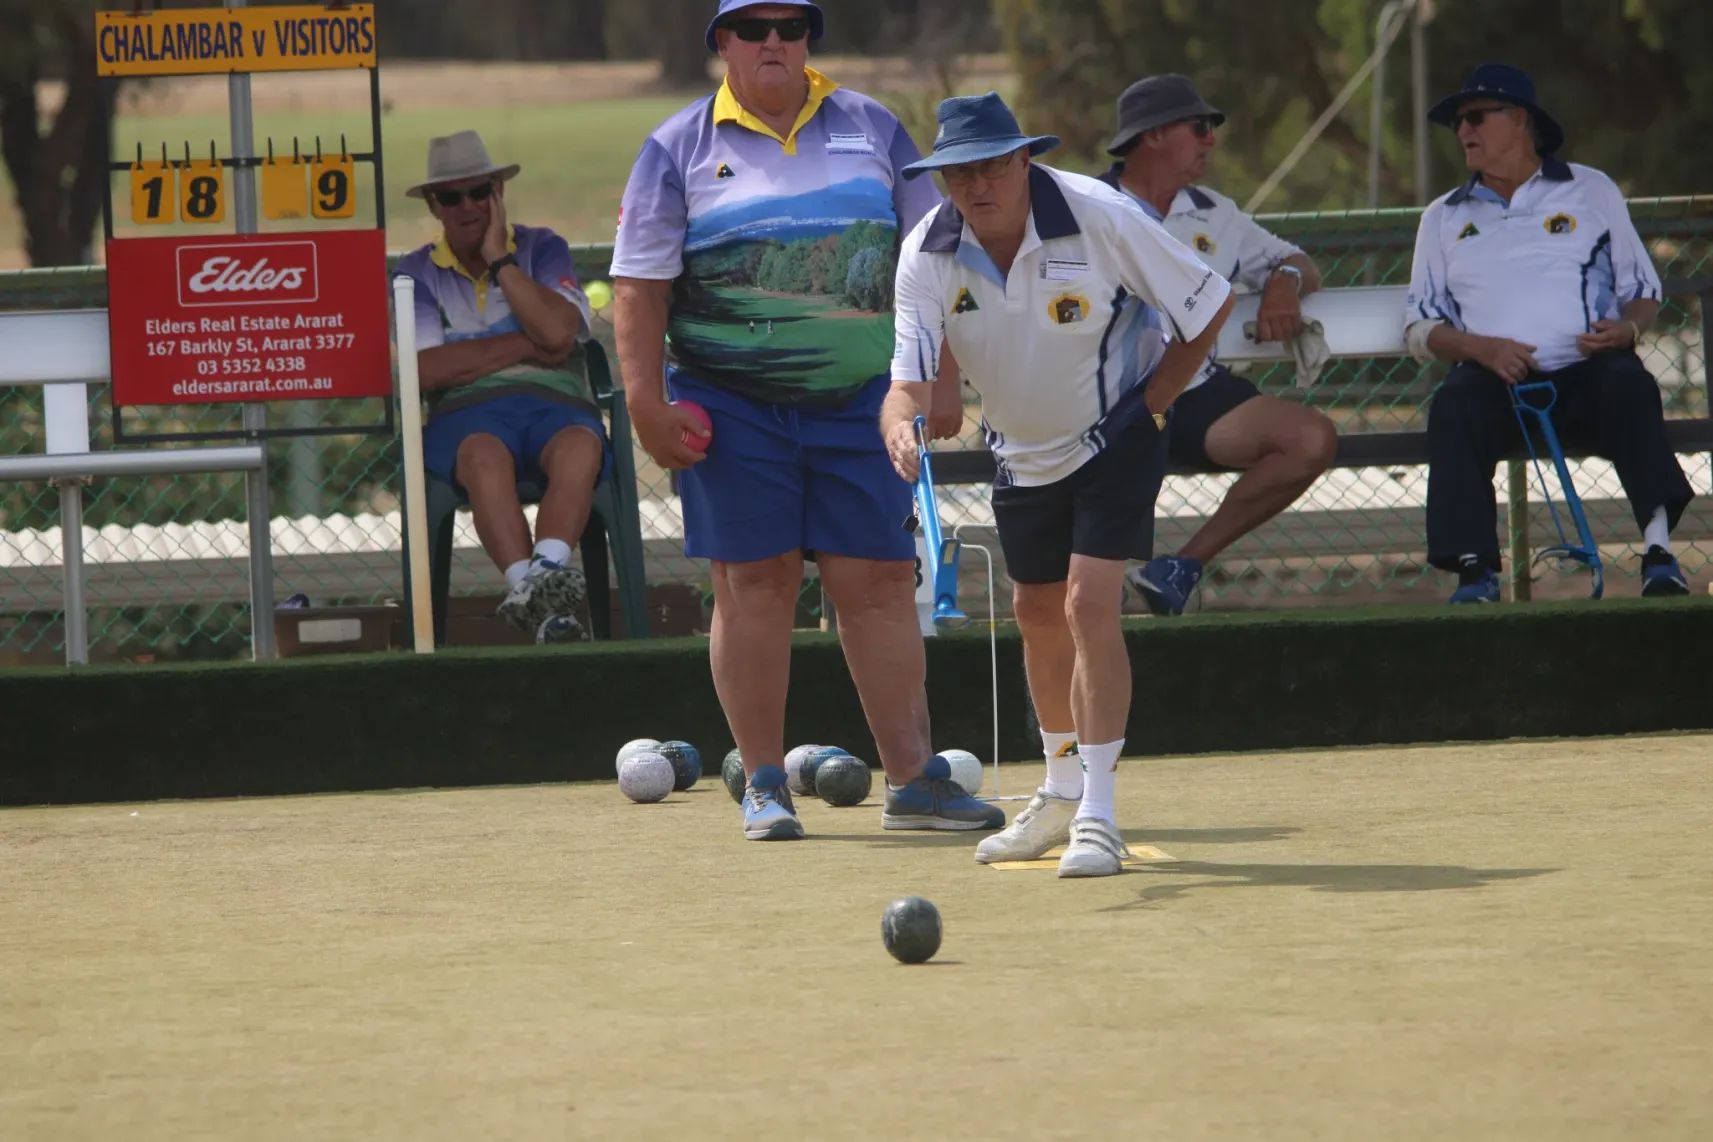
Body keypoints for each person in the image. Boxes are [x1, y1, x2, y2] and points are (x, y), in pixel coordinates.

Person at [610, 1, 998, 841]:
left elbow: (933, 254)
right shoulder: (675, 147)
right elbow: (639, 288)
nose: (774, 40)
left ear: (809, 39)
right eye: (753, 27)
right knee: (757, 584)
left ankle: (914, 784)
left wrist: (941, 377)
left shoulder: (873, 127)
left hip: (867, 402)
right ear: (722, 43)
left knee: (881, 583)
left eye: (791, 25)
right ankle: (762, 784)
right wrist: (644, 403)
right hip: (727, 404)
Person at [884, 93, 1234, 877]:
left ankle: (1100, 813)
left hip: (1116, 433)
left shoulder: (1097, 212)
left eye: (992, 166)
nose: (977, 185)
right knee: (1036, 610)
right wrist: (898, 426)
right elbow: (904, 382)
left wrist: (1151, 403)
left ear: (1023, 160)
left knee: (1085, 604)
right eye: (959, 173)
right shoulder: (926, 251)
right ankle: (1059, 790)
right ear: (942, 180)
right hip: (1020, 450)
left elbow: (1208, 302)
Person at [1404, 63, 1693, 602]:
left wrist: (1628, 328)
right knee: (1454, 404)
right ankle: (1475, 571)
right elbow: (1420, 326)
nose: (1463, 131)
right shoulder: (1441, 217)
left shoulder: (1592, 190)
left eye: (1474, 117)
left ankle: (1658, 553)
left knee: (1629, 384)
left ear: (1519, 120)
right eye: (1457, 123)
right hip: (1498, 383)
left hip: (1588, 371)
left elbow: (1644, 287)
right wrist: (1480, 349)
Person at [1099, 74, 1337, 616]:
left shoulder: (1216, 211)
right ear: (1154, 134)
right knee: (1097, 552)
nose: (1212, 140)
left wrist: (1285, 284)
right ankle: (1093, 595)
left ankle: (1179, 567)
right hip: (1105, 399)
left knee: (1310, 438)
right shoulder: (1087, 206)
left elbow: (1298, 261)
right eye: (1200, 127)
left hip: (1193, 391)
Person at [397, 130, 607, 641]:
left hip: (556, 405)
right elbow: (423, 371)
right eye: (451, 196)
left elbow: (560, 333)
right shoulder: (416, 273)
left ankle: (541, 584)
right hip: (468, 415)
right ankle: (540, 603)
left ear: (498, 192)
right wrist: (528, 342)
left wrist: (501, 261)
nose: (468, 206)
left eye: (480, 192)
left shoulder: (543, 248)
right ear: (433, 205)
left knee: (581, 447)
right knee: (483, 459)